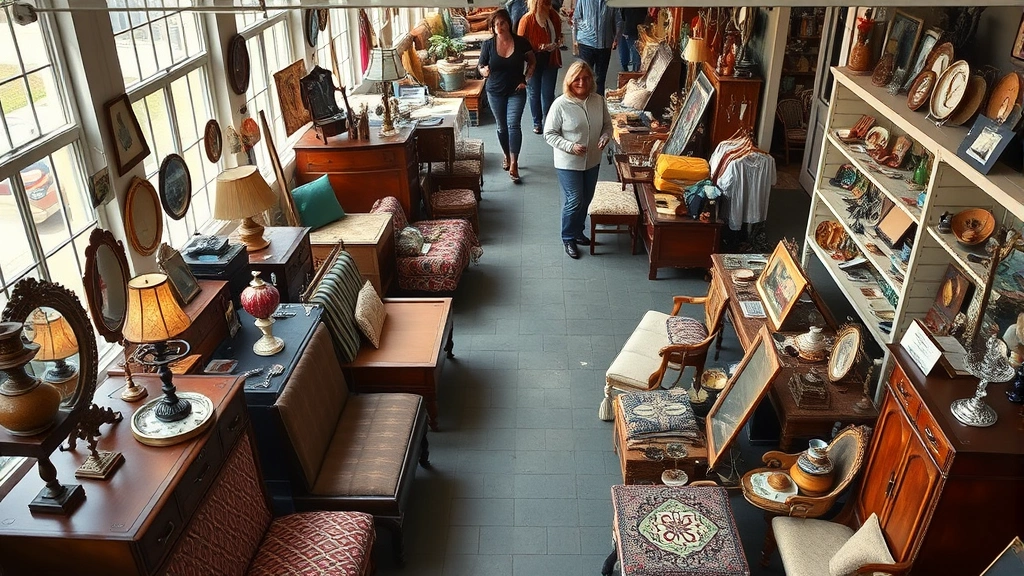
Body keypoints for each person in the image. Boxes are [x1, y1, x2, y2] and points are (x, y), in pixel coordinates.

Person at [544, 61, 613, 259]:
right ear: (569, 81)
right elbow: (549, 134)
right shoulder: (560, 104)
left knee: (586, 199)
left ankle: (578, 231)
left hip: (593, 159)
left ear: (592, 79)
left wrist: (605, 137)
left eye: (586, 78)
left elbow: (607, 125)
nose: (582, 82)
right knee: (574, 200)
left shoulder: (598, 101)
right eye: (577, 79)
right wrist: (570, 146)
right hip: (568, 162)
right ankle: (567, 237)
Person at [479, 9, 537, 184]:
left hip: (516, 91)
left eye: (502, 23)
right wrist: (484, 71)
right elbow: (481, 66)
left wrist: (526, 79)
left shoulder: (521, 43)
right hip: (495, 91)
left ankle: (514, 162)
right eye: (495, 24)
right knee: (502, 127)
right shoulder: (488, 45)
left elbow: (532, 61)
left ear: (509, 23)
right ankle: (506, 155)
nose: (499, 27)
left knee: (513, 125)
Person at [517, 0, 562, 134]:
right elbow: (520, 44)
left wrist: (556, 43)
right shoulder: (526, 20)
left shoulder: (554, 16)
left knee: (548, 94)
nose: (547, 7)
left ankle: (548, 122)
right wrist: (537, 47)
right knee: (534, 93)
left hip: (551, 59)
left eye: (548, 5)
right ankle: (537, 122)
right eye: (544, 5)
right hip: (533, 62)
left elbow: (559, 36)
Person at [572, 0, 616, 95]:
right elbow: (576, 18)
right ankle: (584, 103)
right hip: (585, 44)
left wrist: (616, 38)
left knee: (600, 79)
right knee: (584, 77)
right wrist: (575, 39)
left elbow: (618, 19)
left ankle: (598, 106)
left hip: (605, 45)